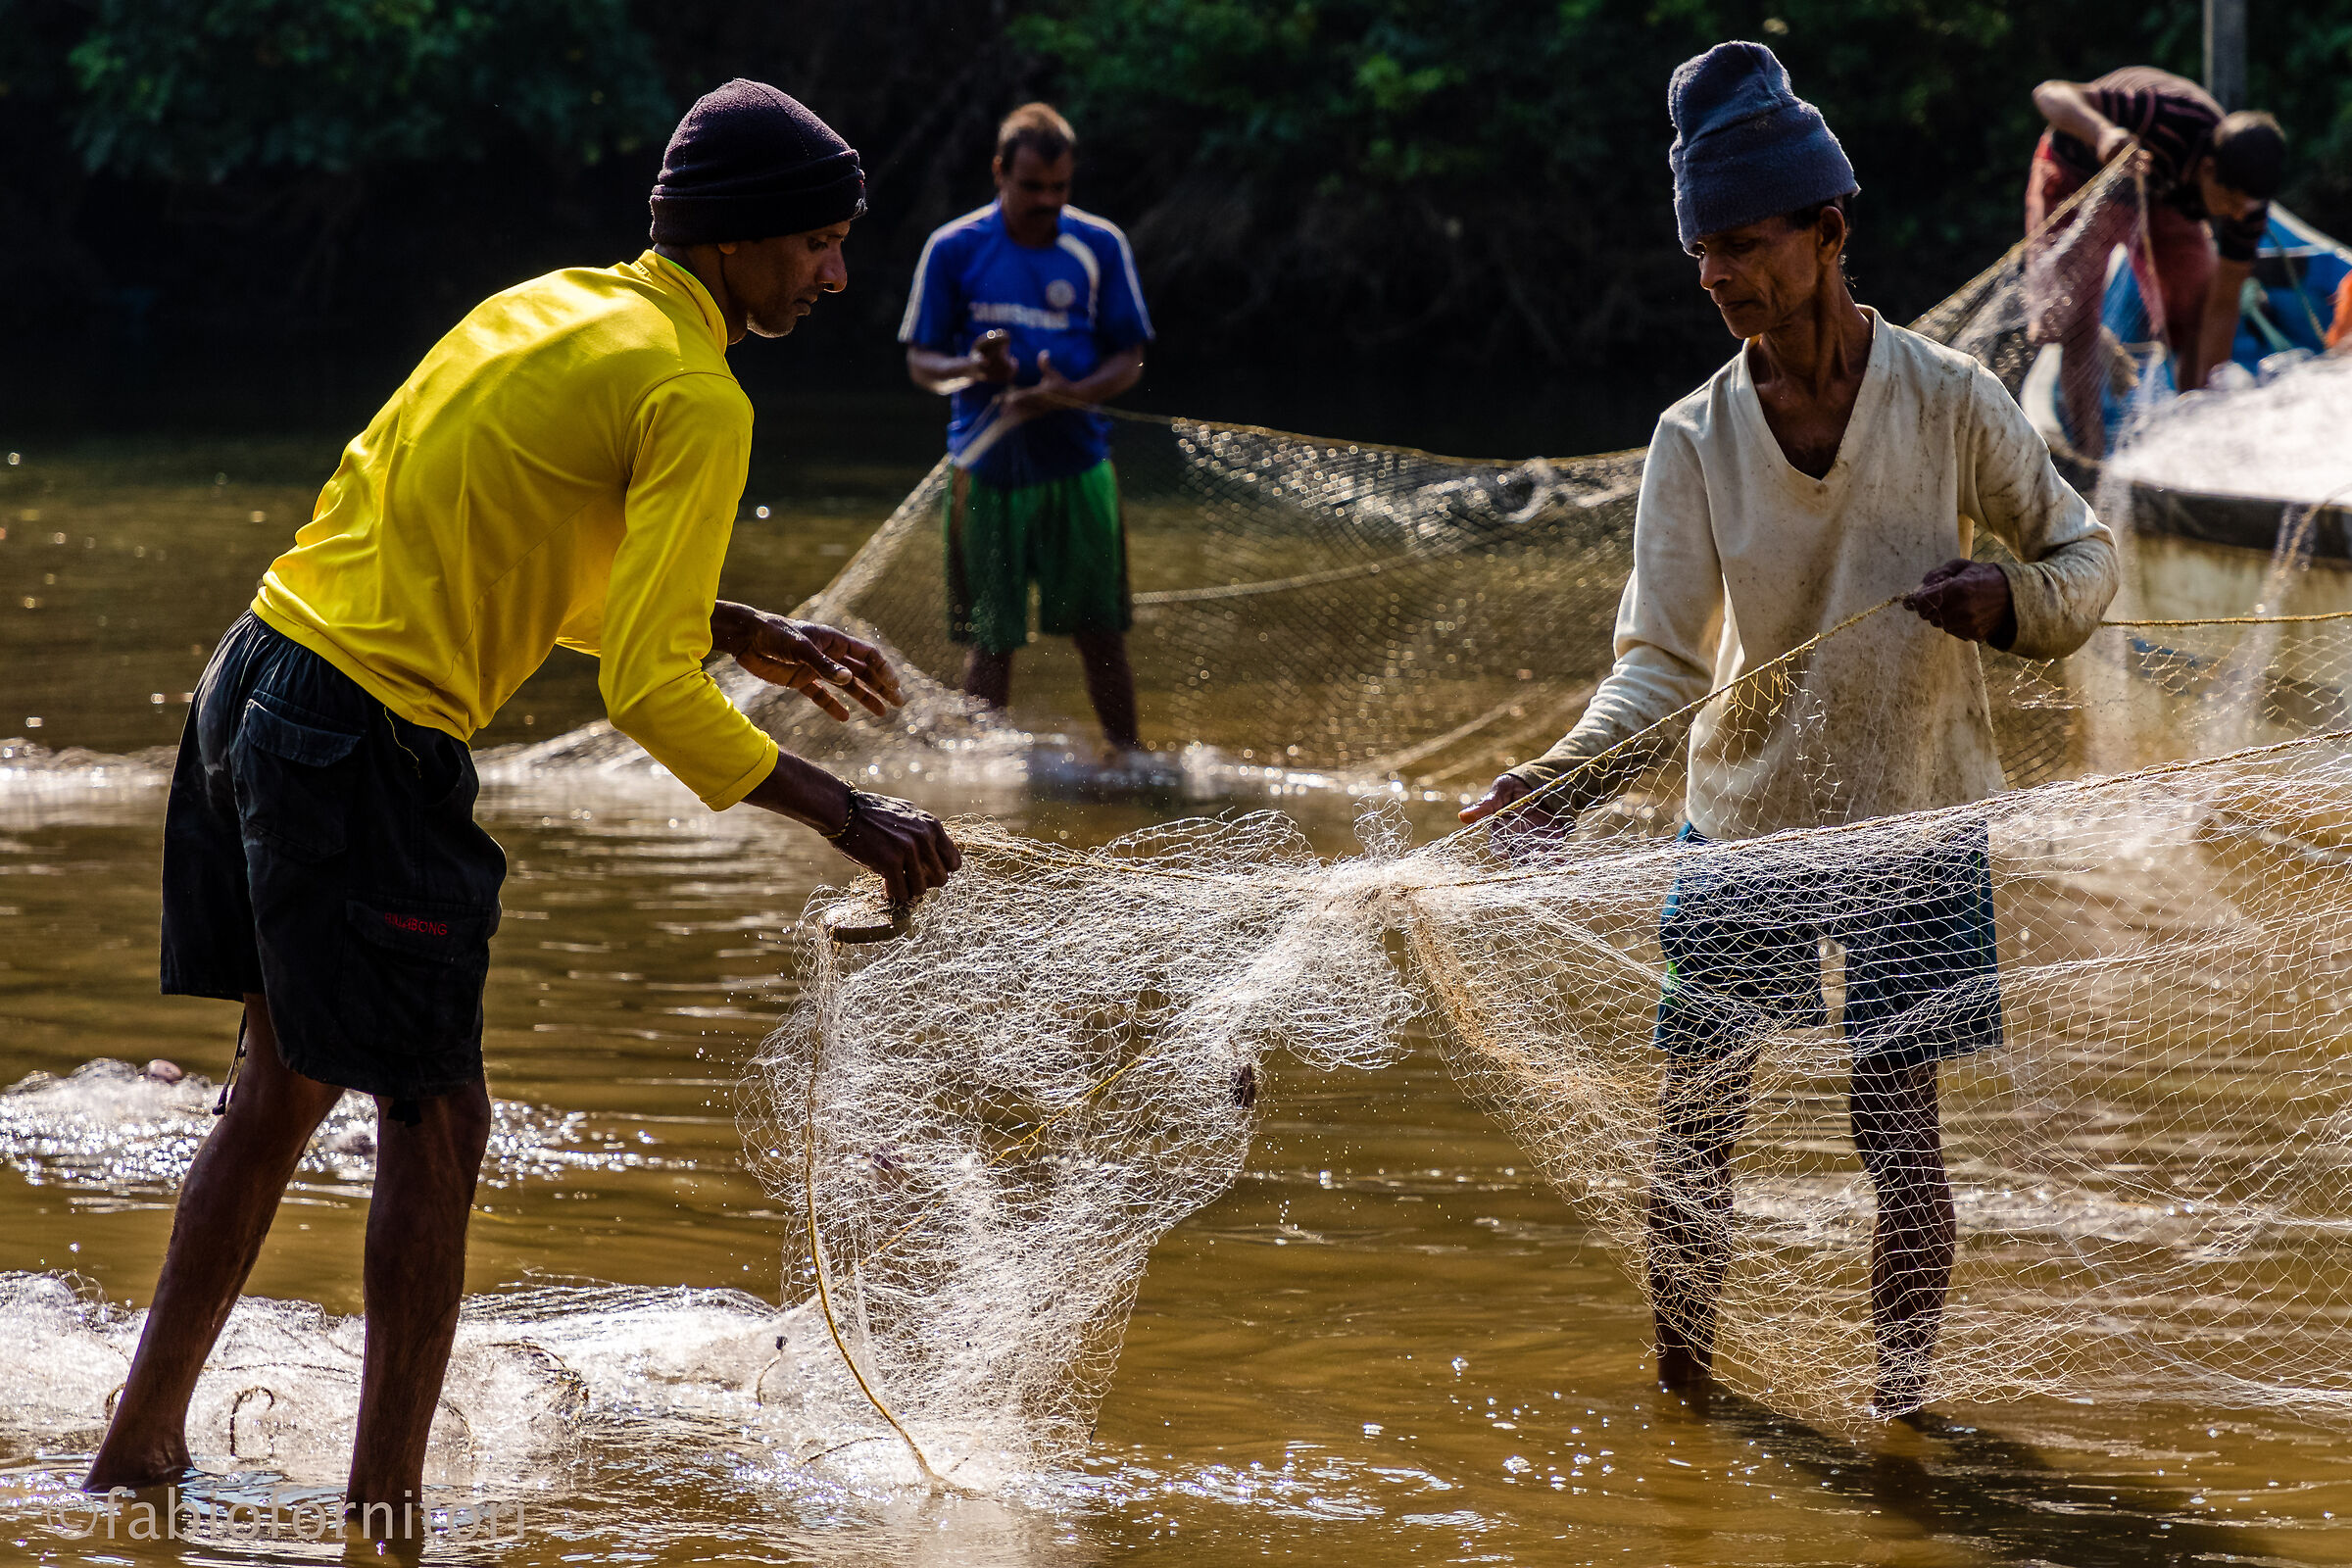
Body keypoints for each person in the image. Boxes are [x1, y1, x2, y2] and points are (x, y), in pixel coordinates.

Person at [82, 79, 961, 1527]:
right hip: (364, 733)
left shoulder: (551, 305)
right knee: (439, 1120)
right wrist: (852, 817)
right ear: (735, 242)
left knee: (280, 1086)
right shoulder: (697, 391)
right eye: (816, 242)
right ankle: (387, 1516)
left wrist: (730, 622)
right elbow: (647, 694)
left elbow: (502, 552)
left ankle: (139, 1452)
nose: (837, 274)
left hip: (255, 678)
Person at [1461, 41, 2119, 1415]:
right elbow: (1658, 669)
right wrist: (1559, 781)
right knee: (1697, 1129)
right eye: (1702, 251)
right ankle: (1684, 1406)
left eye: (1746, 243)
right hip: (1744, 826)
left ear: (1829, 232)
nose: (1719, 276)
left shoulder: (1949, 398)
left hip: (1918, 816)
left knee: (1900, 1133)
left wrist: (2009, 600)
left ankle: (1899, 1417)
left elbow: (2083, 556)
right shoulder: (1693, 439)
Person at [902, 102, 1154, 755]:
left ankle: (1130, 765)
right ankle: (982, 780)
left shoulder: (1099, 245)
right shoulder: (954, 248)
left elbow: (1130, 357)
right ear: (999, 173)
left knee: (1102, 635)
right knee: (992, 641)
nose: (1047, 201)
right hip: (986, 469)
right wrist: (972, 367)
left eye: (1059, 187)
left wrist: (1073, 395)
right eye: (1032, 186)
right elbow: (922, 364)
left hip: (1078, 464)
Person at [2026, 68, 2287, 452]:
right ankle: (2090, 460)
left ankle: (2195, 435)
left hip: (2163, 196)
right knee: (2069, 324)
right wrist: (2103, 134)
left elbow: (2222, 305)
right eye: (2230, 202)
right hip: (2080, 172)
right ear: (2208, 170)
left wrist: (2209, 402)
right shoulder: (2166, 116)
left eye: (2243, 209)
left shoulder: (2246, 208)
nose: (2235, 216)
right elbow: (2049, 93)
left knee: (2195, 309)